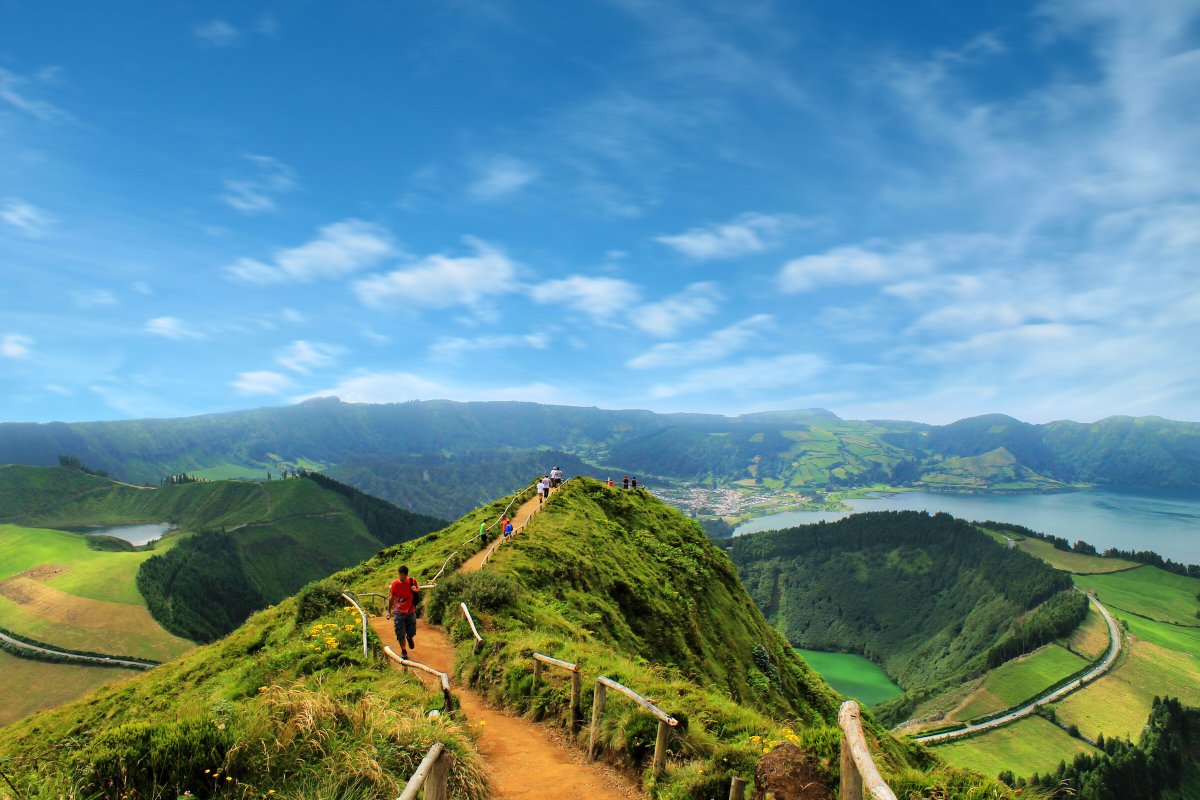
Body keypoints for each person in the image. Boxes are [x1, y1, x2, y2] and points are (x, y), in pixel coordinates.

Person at [387, 565, 421, 659]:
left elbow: (418, 589)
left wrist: (416, 590)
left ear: (406, 575)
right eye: (399, 575)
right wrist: (389, 611)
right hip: (398, 612)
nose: (400, 577)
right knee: (400, 632)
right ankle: (403, 650)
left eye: (402, 575)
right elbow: (391, 598)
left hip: (411, 611)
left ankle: (409, 638)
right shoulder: (395, 584)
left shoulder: (412, 581)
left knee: (411, 631)